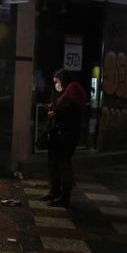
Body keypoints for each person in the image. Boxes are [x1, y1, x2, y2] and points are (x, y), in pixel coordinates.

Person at [43, 69, 87, 207]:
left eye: (57, 81)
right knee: (55, 163)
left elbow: (70, 109)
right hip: (61, 133)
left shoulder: (73, 88)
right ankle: (55, 192)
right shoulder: (67, 90)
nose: (56, 84)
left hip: (67, 134)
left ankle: (64, 196)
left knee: (63, 164)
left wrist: (55, 111)